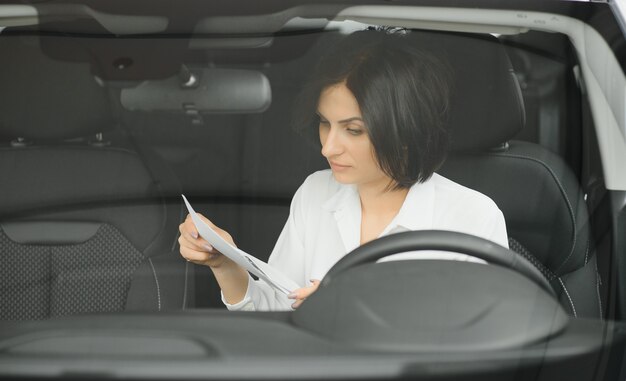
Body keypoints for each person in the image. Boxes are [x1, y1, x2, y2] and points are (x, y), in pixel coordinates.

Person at [178, 29, 508, 311]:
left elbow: (482, 351)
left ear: (406, 131)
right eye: (325, 124)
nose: (328, 147)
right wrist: (225, 263)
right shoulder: (315, 193)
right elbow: (277, 316)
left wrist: (356, 313)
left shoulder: (472, 218)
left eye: (353, 130)